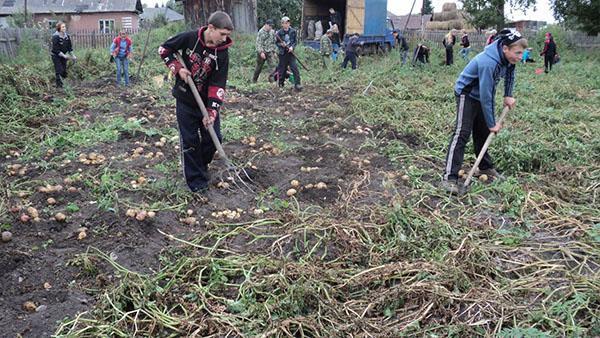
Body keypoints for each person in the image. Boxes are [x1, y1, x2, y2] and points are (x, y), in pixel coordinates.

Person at [442, 29, 528, 194]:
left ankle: (485, 167)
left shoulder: (508, 59)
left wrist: (508, 95)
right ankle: (449, 177)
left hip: (481, 94)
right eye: (517, 53)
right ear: (505, 48)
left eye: (521, 54)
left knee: (481, 132)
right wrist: (492, 123)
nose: (519, 57)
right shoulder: (489, 62)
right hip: (466, 93)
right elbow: (486, 95)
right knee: (462, 132)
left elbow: (510, 74)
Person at [158, 11, 234, 193]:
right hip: (185, 100)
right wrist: (177, 68)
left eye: (227, 35)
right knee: (190, 140)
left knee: (213, 138)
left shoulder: (222, 54)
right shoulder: (189, 38)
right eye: (222, 34)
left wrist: (212, 111)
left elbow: (218, 85)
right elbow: (164, 49)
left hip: (206, 103)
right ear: (211, 28)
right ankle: (196, 182)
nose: (224, 39)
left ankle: (200, 166)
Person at [275, 16, 302, 91]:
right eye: (284, 23)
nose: (286, 24)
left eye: (287, 23)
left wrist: (292, 47)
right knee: (282, 69)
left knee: (294, 67)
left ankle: (297, 84)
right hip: (282, 54)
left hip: (291, 53)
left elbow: (295, 42)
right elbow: (277, 43)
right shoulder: (279, 33)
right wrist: (281, 45)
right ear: (282, 24)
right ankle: (281, 84)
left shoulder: (293, 31)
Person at [50, 21, 76, 88]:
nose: (64, 28)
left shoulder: (67, 36)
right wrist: (64, 56)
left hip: (63, 56)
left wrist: (73, 55)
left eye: (65, 27)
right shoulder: (55, 37)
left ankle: (63, 83)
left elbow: (69, 47)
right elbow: (56, 49)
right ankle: (59, 87)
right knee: (59, 70)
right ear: (59, 28)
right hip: (56, 56)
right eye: (63, 27)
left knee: (64, 71)